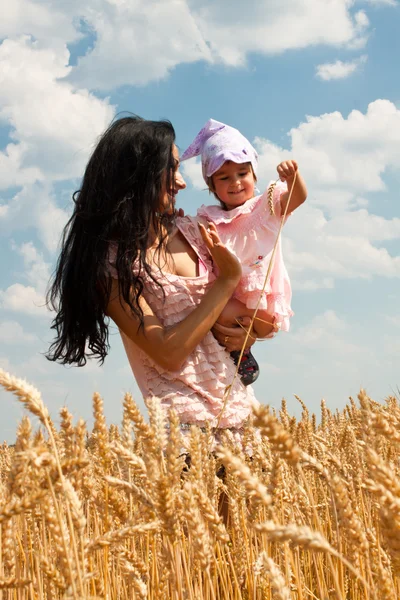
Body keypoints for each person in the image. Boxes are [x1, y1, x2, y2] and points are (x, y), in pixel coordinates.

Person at [47, 116, 257, 446]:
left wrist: (250, 330)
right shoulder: (111, 266)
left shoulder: (195, 232)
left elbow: (229, 318)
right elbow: (168, 353)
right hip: (187, 432)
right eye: (170, 170)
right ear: (136, 177)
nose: (182, 182)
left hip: (241, 410)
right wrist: (225, 281)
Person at [181, 119, 308, 385]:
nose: (235, 182)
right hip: (229, 298)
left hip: (260, 304)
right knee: (211, 314)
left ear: (255, 175)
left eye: (242, 173)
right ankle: (234, 356)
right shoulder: (210, 219)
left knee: (220, 312)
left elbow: (296, 199)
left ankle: (241, 352)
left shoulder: (266, 207)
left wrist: (293, 178)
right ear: (212, 186)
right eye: (224, 178)